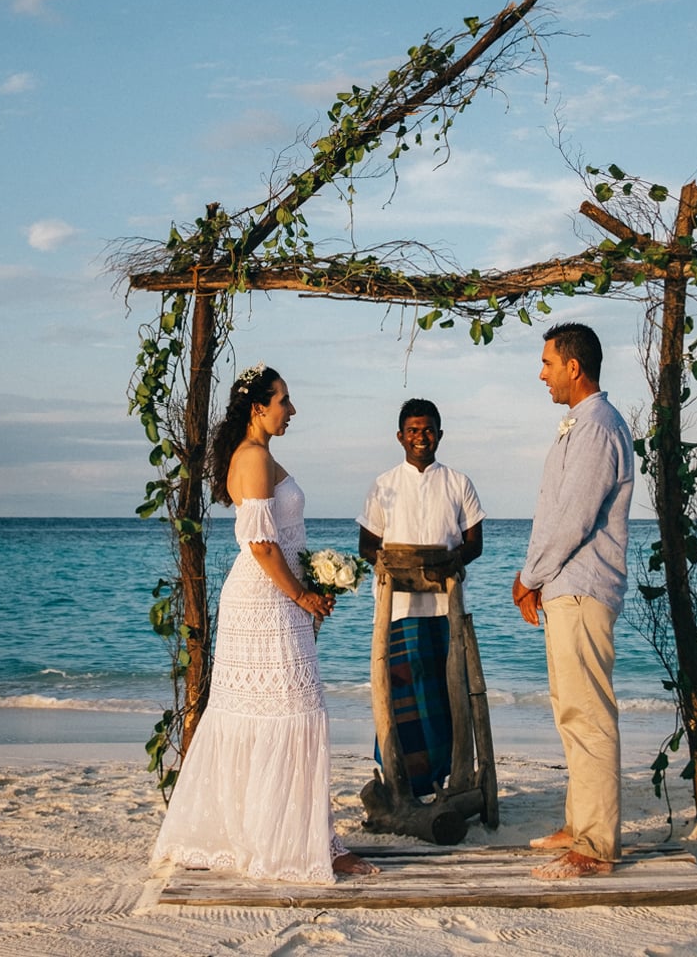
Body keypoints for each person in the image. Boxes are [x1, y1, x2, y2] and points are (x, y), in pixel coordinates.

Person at [151, 364, 376, 881]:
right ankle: (303, 842)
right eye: (284, 401)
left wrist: (316, 581)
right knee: (290, 711)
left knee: (283, 712)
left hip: (278, 596)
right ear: (258, 406)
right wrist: (301, 593)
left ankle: (295, 833)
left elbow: (281, 540)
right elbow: (260, 544)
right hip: (266, 600)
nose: (291, 410)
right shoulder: (251, 458)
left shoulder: (259, 455)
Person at [512, 323, 633, 880]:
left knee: (589, 714)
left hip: (582, 586)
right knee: (570, 711)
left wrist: (529, 575)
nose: (541, 374)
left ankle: (597, 843)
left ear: (573, 367)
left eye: (547, 363)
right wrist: (536, 578)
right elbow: (554, 510)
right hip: (566, 585)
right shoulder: (581, 426)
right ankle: (579, 823)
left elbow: (575, 517)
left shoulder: (598, 428)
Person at [356, 399, 485, 797]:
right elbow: (367, 545)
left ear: (439, 435)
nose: (420, 438)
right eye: (412, 430)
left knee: (448, 693)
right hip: (399, 610)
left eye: (427, 430)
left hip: (446, 608)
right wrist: (398, 564)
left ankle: (448, 777)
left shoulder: (458, 482)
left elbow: (474, 543)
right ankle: (400, 779)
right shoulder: (384, 484)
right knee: (401, 694)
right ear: (400, 437)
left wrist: (447, 564)